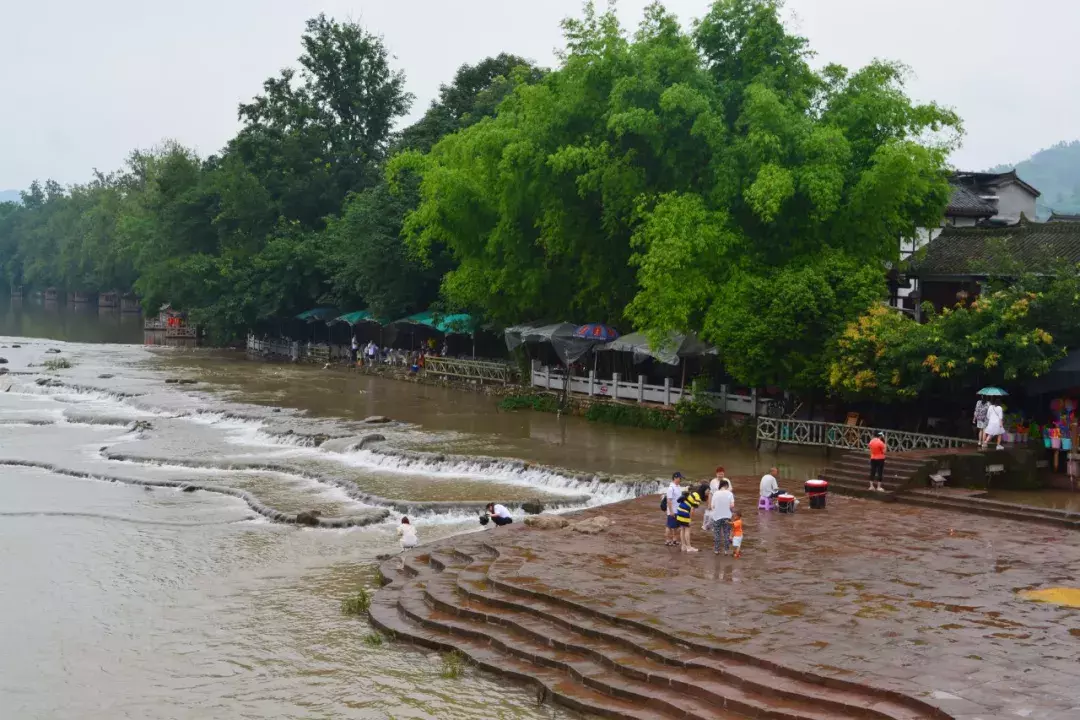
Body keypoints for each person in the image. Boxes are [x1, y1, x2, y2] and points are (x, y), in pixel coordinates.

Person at [710, 479, 735, 555]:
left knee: (717, 534)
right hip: (727, 516)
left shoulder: (715, 494)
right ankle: (726, 551)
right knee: (726, 534)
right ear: (726, 486)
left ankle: (717, 550)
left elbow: (712, 506)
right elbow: (732, 505)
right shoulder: (730, 494)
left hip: (716, 517)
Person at [664, 472, 683, 546]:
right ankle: (667, 540)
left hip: (678, 510)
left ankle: (674, 540)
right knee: (669, 526)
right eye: (679, 478)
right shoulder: (671, 488)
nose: (680, 480)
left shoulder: (678, 486)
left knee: (676, 526)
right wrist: (671, 511)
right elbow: (669, 501)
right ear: (675, 478)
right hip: (672, 511)